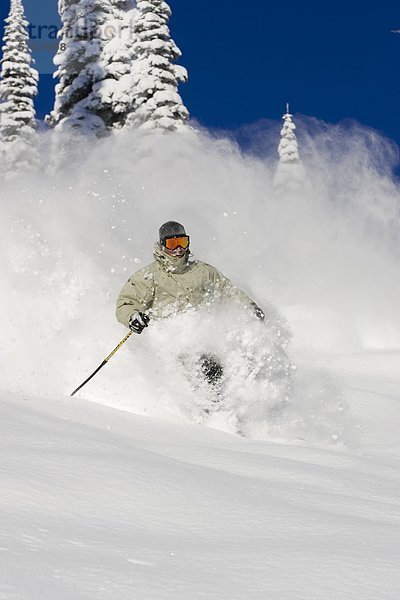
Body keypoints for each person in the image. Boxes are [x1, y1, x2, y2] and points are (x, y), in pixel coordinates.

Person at [116, 221, 265, 388]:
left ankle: (245, 399)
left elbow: (227, 291)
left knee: (236, 361)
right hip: (174, 341)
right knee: (206, 369)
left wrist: (249, 307)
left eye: (182, 242)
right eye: (172, 244)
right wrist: (133, 317)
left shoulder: (203, 271)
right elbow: (126, 303)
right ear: (162, 246)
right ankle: (210, 408)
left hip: (206, 336)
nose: (178, 248)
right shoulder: (149, 276)